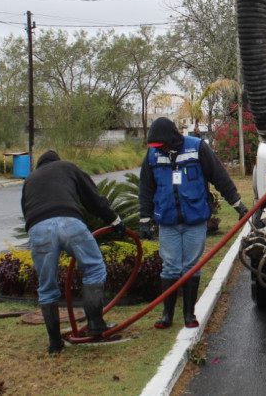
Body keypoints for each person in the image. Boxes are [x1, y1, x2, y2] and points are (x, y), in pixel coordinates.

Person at [139, 117, 248, 330]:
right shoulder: (152, 155)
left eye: (161, 145)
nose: (159, 149)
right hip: (168, 221)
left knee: (191, 265)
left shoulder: (197, 148)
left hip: (195, 219)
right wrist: (144, 219)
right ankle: (167, 315)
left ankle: (189, 314)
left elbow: (219, 177)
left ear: (171, 138)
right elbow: (146, 188)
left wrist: (238, 205)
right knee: (170, 266)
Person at [20, 150, 126, 354]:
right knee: (94, 268)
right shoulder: (67, 167)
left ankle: (54, 343)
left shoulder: (30, 179)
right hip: (70, 222)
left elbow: (27, 211)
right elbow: (92, 198)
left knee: (47, 286)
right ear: (57, 161)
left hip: (39, 229)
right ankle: (95, 324)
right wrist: (113, 219)